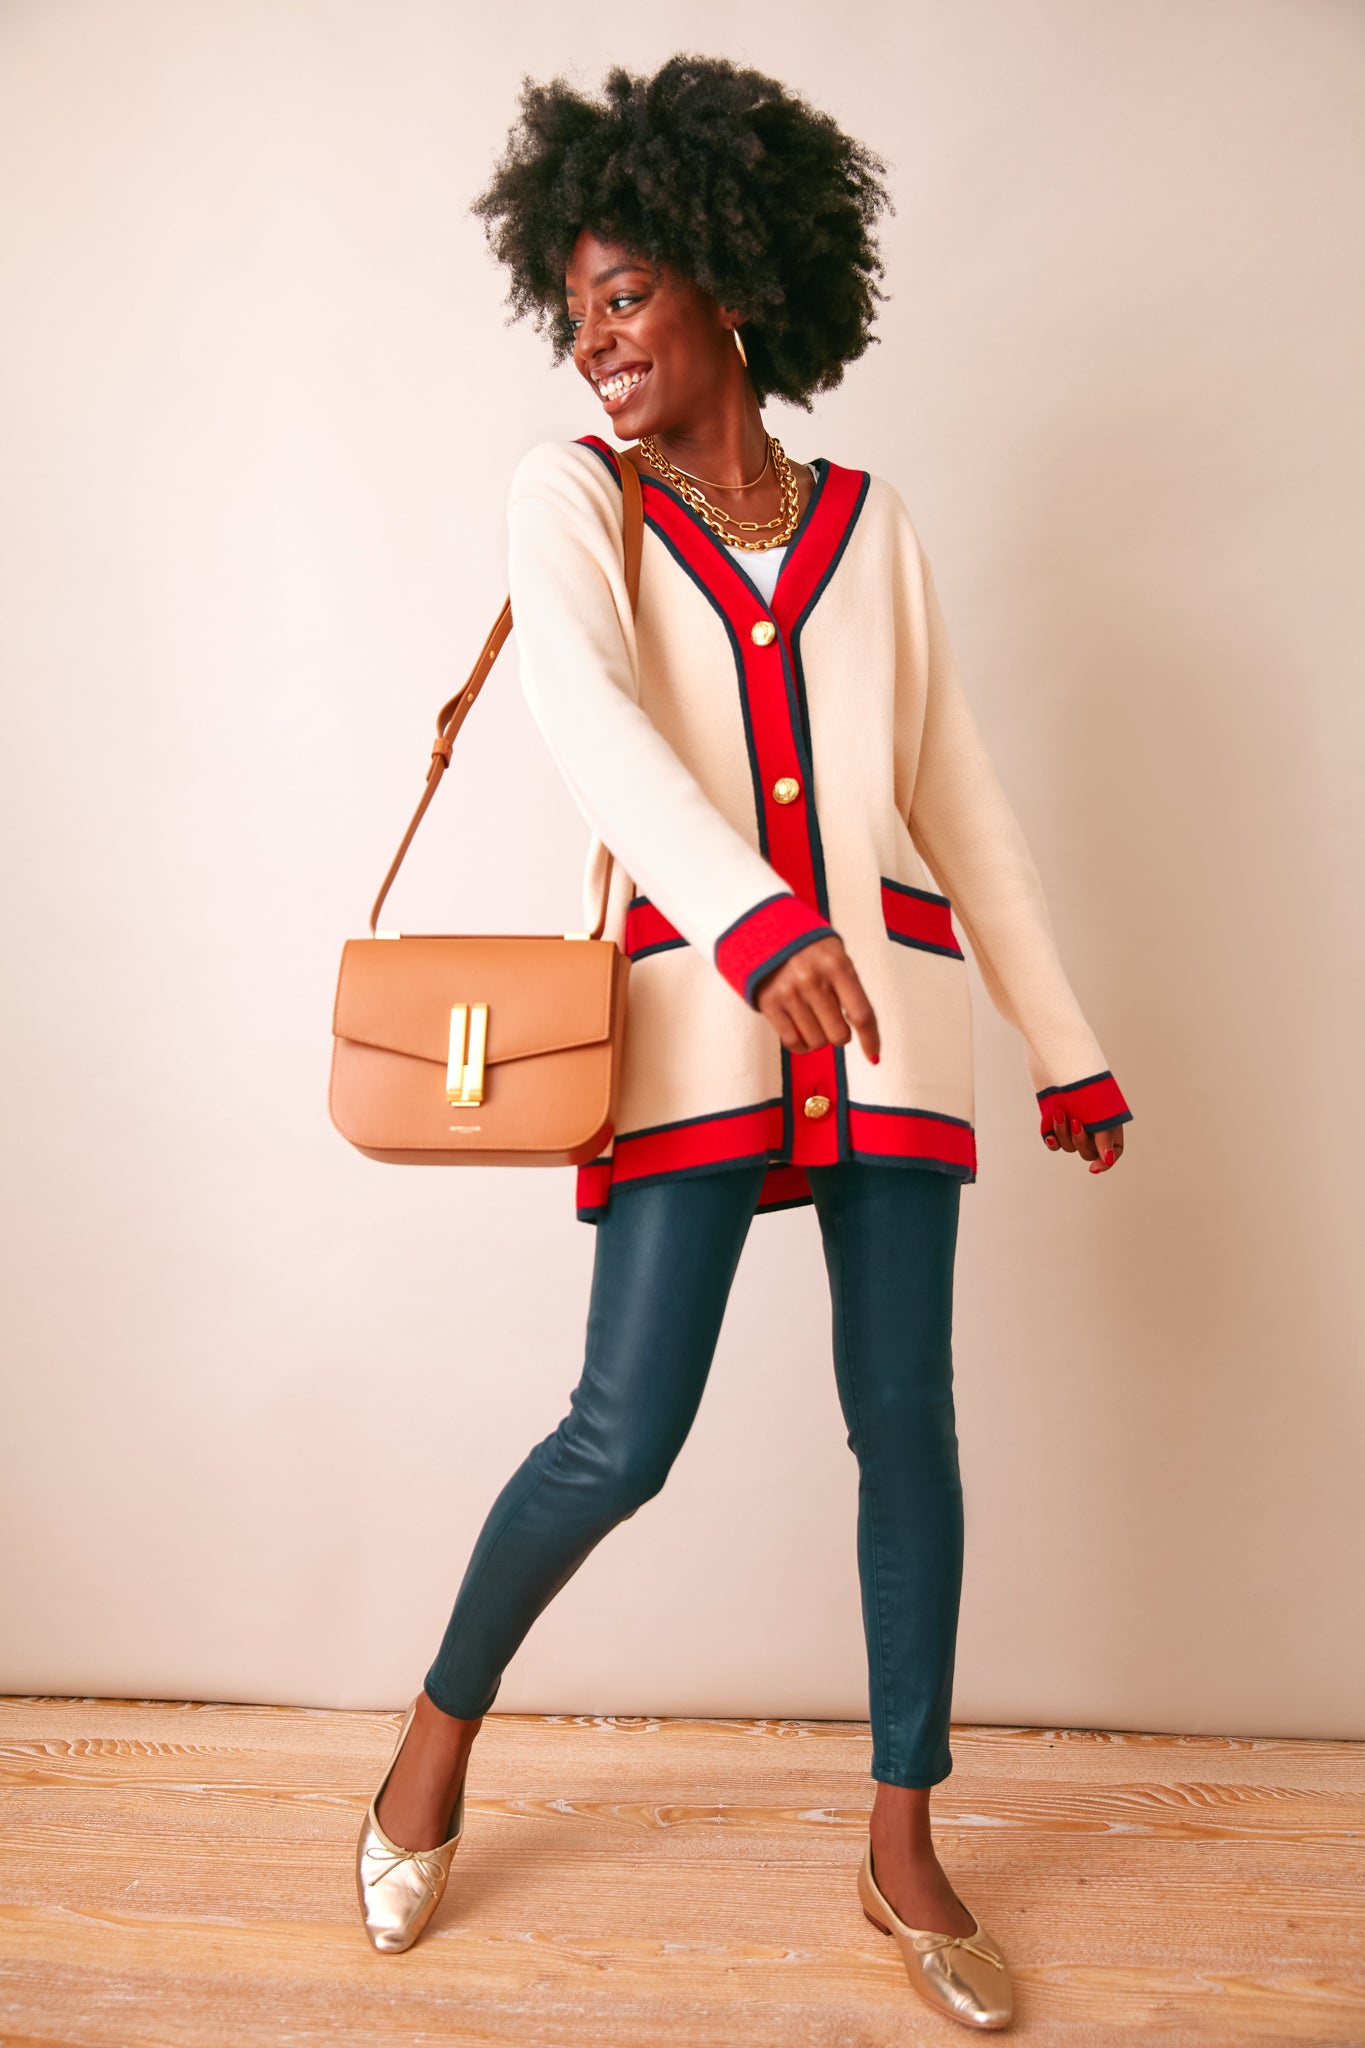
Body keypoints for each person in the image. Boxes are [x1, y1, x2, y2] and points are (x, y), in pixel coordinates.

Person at [353, 54, 1132, 2033]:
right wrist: (757, 921)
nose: (595, 338)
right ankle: (435, 1732)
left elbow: (956, 798)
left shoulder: (871, 524)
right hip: (695, 1024)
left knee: (906, 1425)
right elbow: (591, 724)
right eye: (576, 307)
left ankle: (901, 1838)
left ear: (728, 282)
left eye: (626, 295)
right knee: (619, 1435)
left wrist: (1061, 1038)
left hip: (890, 1033)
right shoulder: (572, 498)